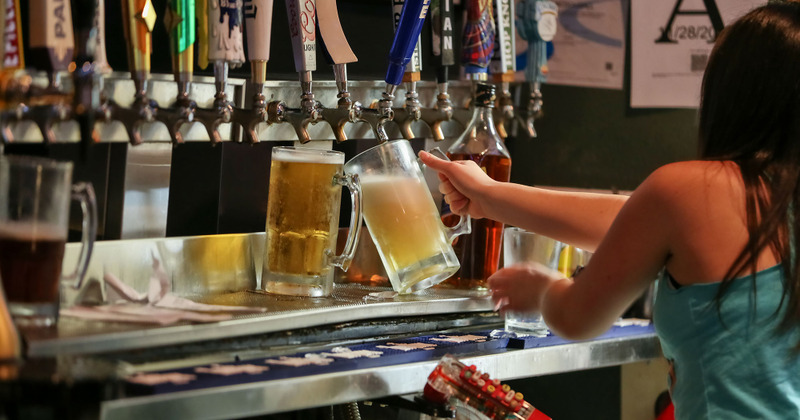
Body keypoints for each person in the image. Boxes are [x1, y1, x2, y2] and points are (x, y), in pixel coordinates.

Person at [419, 2, 800, 419]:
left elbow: (578, 317)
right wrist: (490, 195)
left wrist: (542, 288)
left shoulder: (689, 190)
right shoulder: (756, 199)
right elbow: (630, 219)